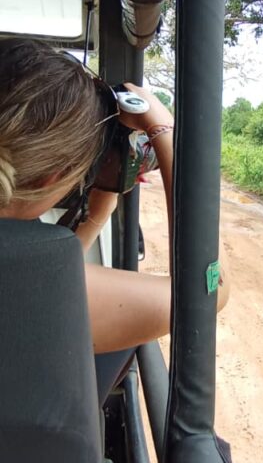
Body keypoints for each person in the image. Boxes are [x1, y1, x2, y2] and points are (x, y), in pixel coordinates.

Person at [0, 37, 229, 387]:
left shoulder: (30, 273)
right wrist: (165, 130)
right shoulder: (38, 279)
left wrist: (99, 208)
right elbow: (210, 292)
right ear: (55, 176)